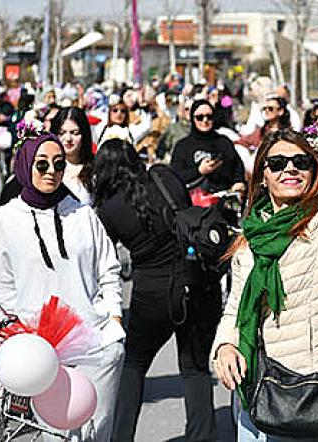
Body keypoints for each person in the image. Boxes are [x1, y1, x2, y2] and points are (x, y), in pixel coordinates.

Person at [212, 107, 318, 441]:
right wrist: (226, 346)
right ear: (263, 176)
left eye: (301, 162)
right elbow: (235, 308)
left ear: (314, 173)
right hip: (256, 392)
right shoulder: (249, 240)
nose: (289, 168)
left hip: (314, 396)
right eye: (277, 163)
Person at [0, 131, 124, 442]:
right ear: (24, 165)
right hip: (41, 348)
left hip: (94, 340)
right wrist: (12, 335)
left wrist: (114, 317)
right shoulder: (4, 220)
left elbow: (109, 268)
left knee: (98, 432)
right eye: (42, 164)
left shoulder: (83, 214)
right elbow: (3, 287)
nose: (51, 172)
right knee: (55, 435)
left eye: (59, 165)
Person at [95, 140, 219, 441]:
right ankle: (201, 437)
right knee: (195, 367)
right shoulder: (164, 176)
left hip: (153, 292)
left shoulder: (110, 208)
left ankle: (121, 435)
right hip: (197, 281)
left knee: (134, 364)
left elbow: (103, 255)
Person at [170, 99, 246, 194]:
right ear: (192, 119)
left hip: (226, 196)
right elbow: (175, 177)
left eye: (209, 117)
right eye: (200, 117)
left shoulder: (224, 141)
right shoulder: (183, 146)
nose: (205, 120)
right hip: (195, 199)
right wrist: (199, 171)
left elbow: (237, 166)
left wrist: (239, 182)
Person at [51, 107, 95, 204]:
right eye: (62, 133)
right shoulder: (48, 168)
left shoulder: (95, 169)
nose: (68, 138)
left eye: (75, 133)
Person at [157, 98, 193, 162]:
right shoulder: (173, 128)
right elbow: (161, 146)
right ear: (182, 111)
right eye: (187, 109)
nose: (190, 112)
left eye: (193, 109)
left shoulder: (204, 128)